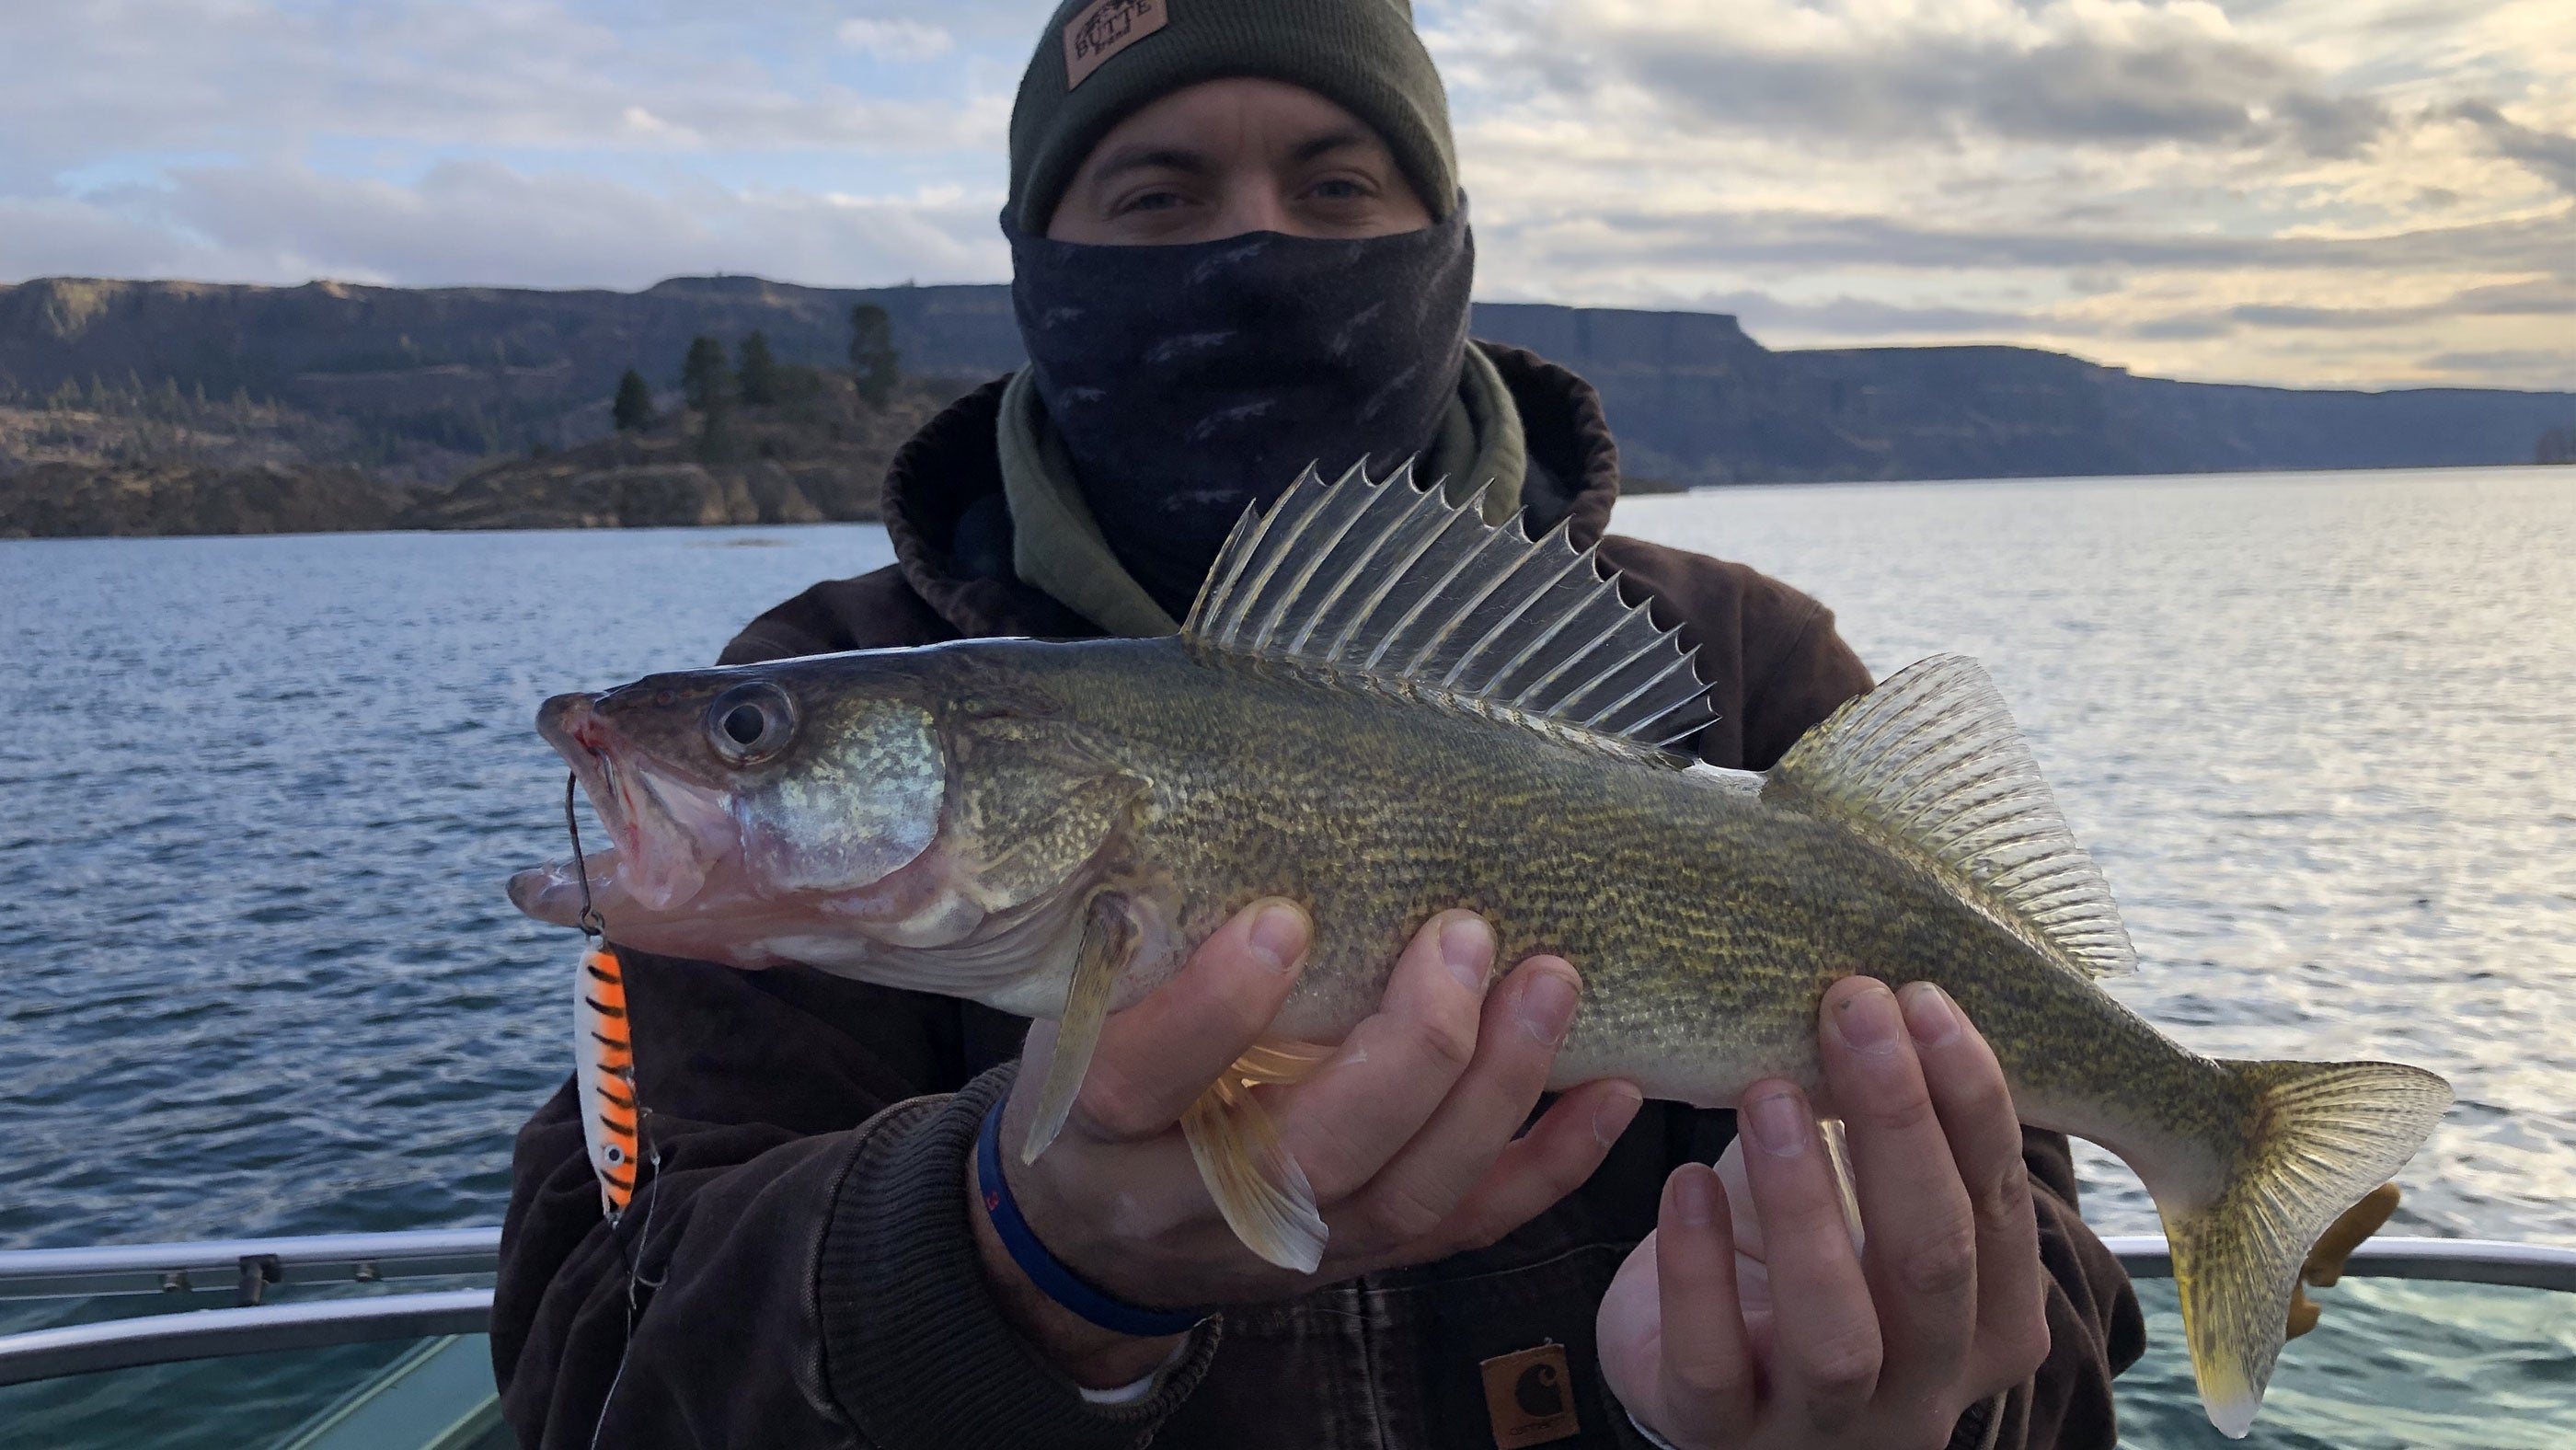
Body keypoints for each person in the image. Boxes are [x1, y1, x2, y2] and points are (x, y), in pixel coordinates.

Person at [493, 2, 2143, 1446]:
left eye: (1337, 185)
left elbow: (2059, 1368)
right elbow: (600, 1377)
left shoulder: (1743, 671)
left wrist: (1910, 1418)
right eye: (1158, 193)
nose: (1254, 246)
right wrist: (1006, 1262)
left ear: (1444, 238)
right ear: (1035, 261)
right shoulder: (817, 696)